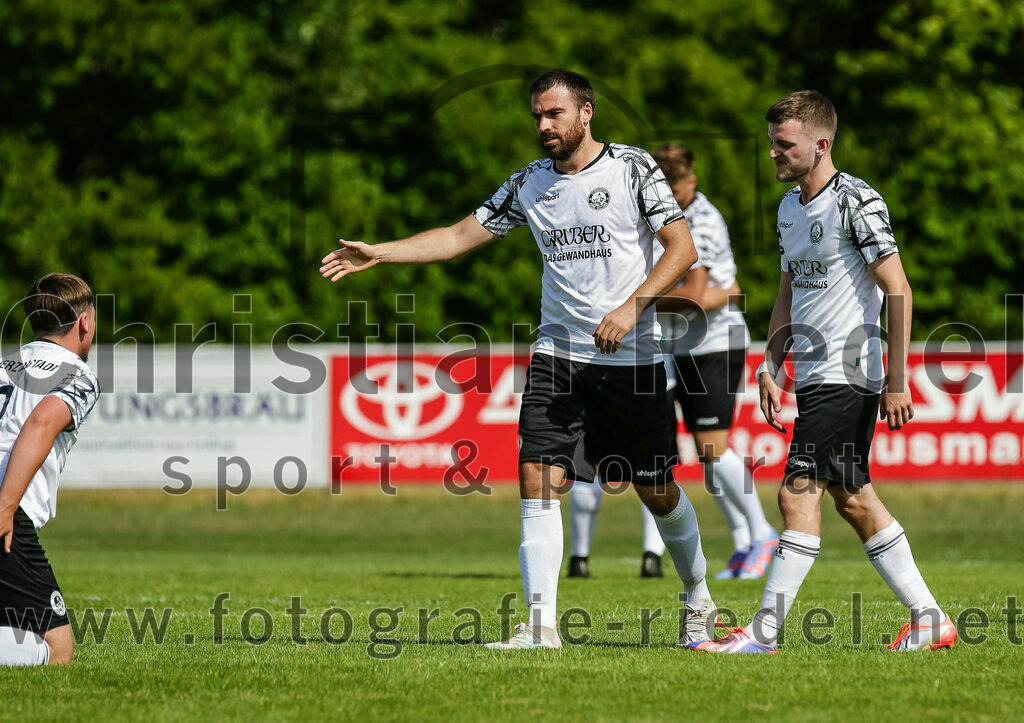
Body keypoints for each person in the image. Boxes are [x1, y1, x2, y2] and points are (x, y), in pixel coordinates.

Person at [321, 69, 719, 649]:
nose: (543, 125)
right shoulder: (530, 183)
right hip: (558, 356)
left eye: (553, 114)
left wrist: (633, 309)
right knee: (536, 477)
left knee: (656, 490)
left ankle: (699, 596)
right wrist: (380, 253)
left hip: (630, 361)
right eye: (536, 115)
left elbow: (682, 248)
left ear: (586, 113)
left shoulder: (633, 167)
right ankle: (540, 627)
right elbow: (460, 235)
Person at [689, 91, 957, 654]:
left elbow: (899, 289)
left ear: (821, 144)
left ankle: (762, 635)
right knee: (852, 497)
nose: (773, 155)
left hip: (849, 370)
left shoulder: (857, 201)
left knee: (796, 494)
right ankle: (930, 618)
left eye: (783, 145)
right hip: (812, 374)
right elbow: (790, 292)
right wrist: (771, 365)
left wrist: (897, 380)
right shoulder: (789, 207)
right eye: (771, 144)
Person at [567, 144, 779, 581]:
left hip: (712, 343)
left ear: (691, 183)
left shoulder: (700, 220)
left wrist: (630, 303)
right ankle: (743, 542)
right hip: (670, 346)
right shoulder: (654, 212)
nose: (669, 195)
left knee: (712, 446)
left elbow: (709, 297)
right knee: (701, 455)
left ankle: (764, 536)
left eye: (675, 188)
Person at [0, 273, 100, 666]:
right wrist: (6, 505)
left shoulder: (6, 363)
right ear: (85, 321)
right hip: (9, 510)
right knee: (58, 649)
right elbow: (41, 421)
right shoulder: (78, 373)